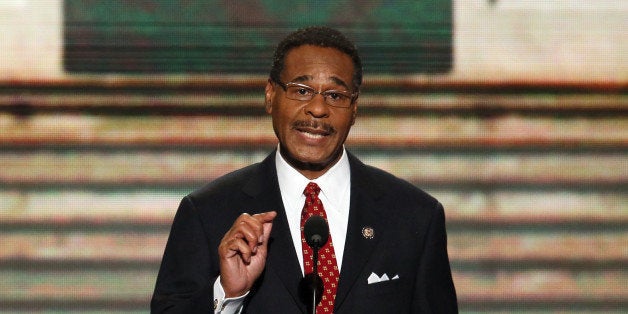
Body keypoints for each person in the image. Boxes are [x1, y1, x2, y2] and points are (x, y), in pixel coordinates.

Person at [151, 26, 458, 313]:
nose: (318, 109)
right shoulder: (208, 212)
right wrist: (229, 295)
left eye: (335, 95)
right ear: (271, 95)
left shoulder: (414, 215)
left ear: (354, 109)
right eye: (301, 90)